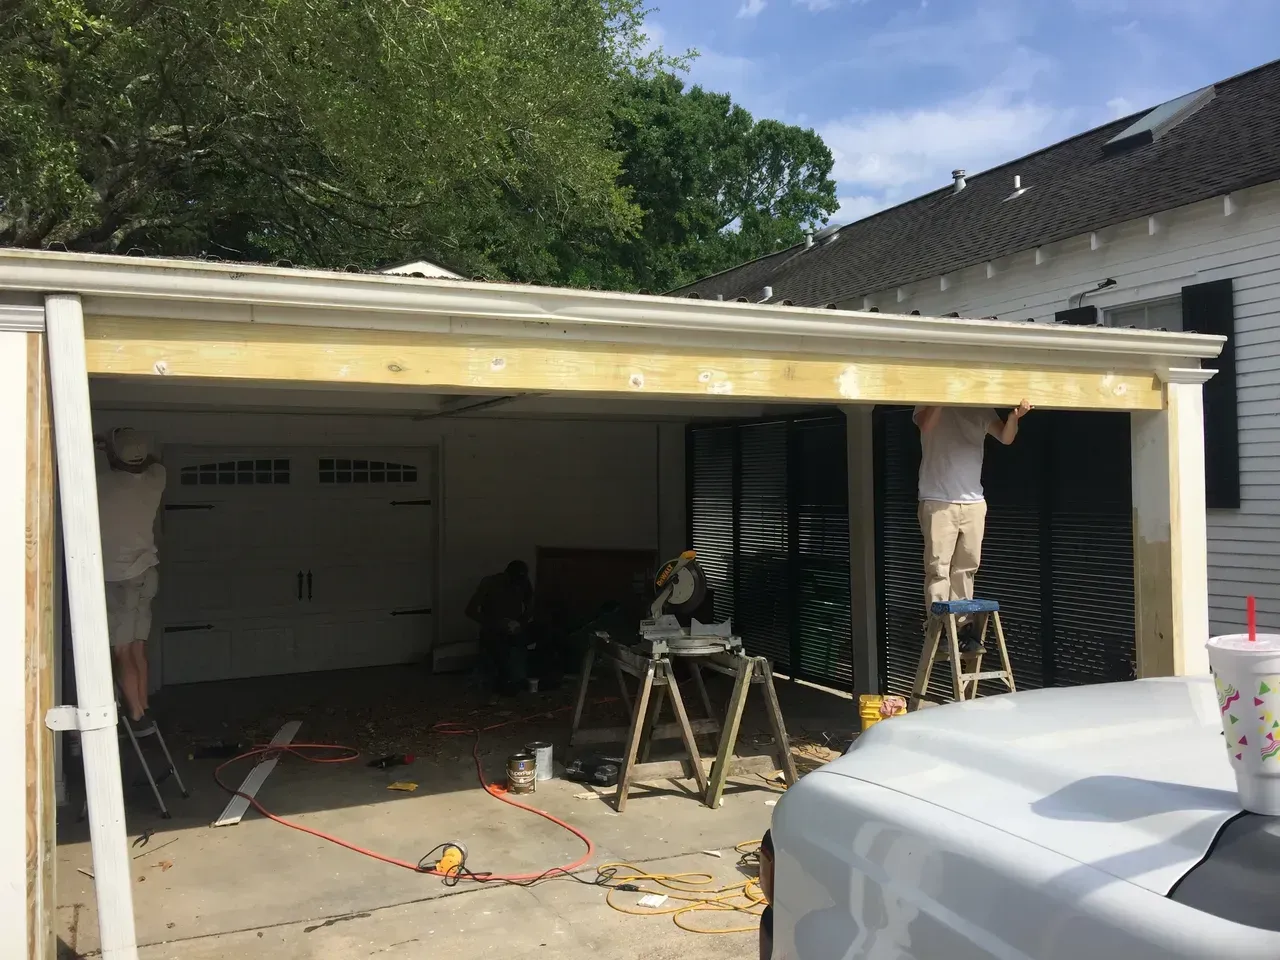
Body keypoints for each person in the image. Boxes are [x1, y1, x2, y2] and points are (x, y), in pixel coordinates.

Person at [913, 401, 1032, 651]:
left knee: (966, 568)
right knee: (938, 569)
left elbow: (1006, 437)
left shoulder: (981, 408)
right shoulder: (928, 402)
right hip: (937, 498)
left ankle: (962, 628)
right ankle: (939, 628)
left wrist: (1014, 417)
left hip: (973, 501)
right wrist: (942, 398)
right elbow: (925, 425)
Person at [97, 428, 166, 724]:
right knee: (138, 644)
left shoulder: (102, 485)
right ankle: (144, 707)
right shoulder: (156, 479)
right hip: (147, 572)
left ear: (113, 456)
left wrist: (101, 448)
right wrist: (119, 451)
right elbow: (152, 460)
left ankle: (136, 715)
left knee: (122, 649)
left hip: (119, 576)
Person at [465, 560, 534, 696]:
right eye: (514, 581)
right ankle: (503, 680)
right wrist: (495, 623)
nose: (516, 585)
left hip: (514, 629)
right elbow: (470, 610)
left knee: (530, 640)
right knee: (498, 649)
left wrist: (520, 623)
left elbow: (530, 607)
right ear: (506, 575)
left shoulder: (524, 583)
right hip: (492, 630)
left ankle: (520, 678)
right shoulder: (490, 583)